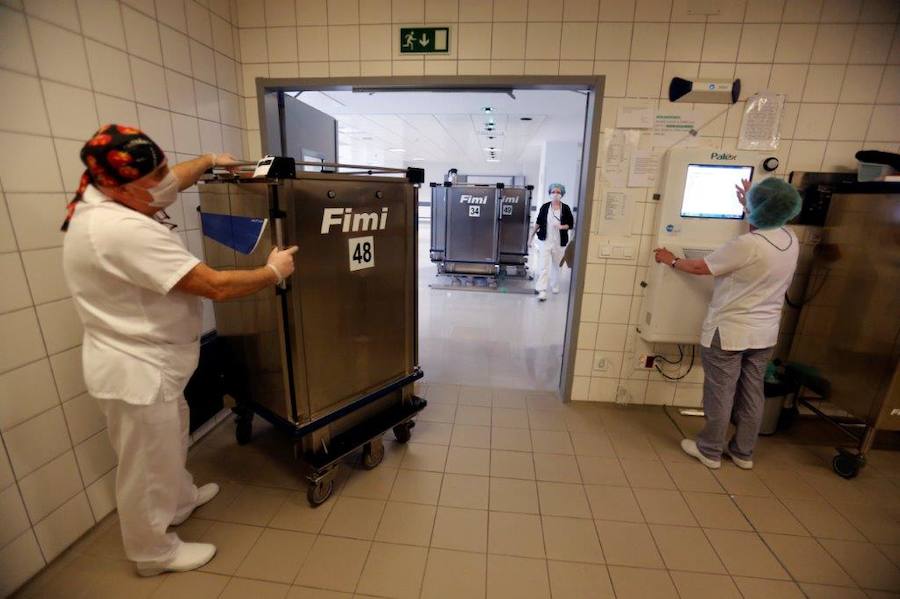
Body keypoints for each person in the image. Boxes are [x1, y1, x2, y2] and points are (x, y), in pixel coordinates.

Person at [62, 124, 299, 576]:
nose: (168, 182)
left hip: (158, 361)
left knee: (168, 442)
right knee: (146, 466)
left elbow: (173, 181)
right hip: (135, 370)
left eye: (166, 168)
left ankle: (179, 501)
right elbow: (213, 285)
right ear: (120, 184)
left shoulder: (112, 193)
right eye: (157, 178)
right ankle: (153, 553)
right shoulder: (117, 229)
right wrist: (273, 271)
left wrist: (210, 161)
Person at [653, 177, 802, 470]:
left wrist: (670, 259)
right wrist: (750, 202)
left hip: (730, 331)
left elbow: (699, 267)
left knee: (720, 392)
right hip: (764, 333)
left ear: (757, 209)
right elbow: (764, 229)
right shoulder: (789, 239)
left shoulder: (746, 245)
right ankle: (743, 452)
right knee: (751, 392)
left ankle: (709, 450)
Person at [532, 183, 575, 301]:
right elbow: (538, 222)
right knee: (543, 266)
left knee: (557, 265)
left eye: (558, 192)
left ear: (562, 194)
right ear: (550, 193)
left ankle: (555, 285)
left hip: (560, 241)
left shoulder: (565, 208)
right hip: (545, 240)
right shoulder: (545, 207)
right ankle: (542, 289)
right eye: (553, 192)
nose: (555, 194)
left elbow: (570, 225)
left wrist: (561, 226)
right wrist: (530, 237)